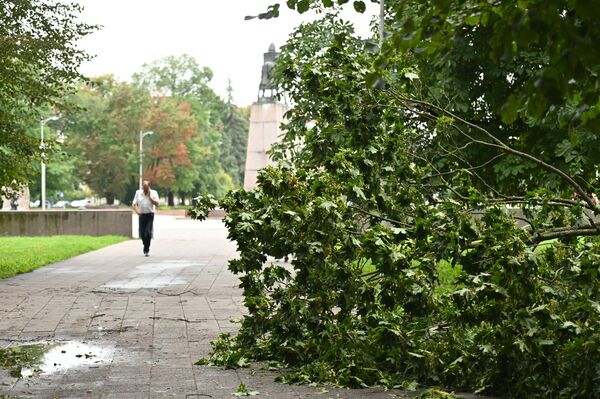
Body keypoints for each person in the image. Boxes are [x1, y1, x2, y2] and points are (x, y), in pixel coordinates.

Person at [132, 180, 159, 256]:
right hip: (141, 215)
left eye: (146, 187)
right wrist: (137, 212)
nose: (145, 189)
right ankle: (145, 243)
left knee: (148, 232)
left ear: (149, 187)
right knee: (142, 233)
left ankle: (146, 249)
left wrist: (150, 197)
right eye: (144, 187)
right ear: (142, 187)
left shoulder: (154, 192)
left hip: (150, 215)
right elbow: (134, 204)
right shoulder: (138, 193)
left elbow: (157, 204)